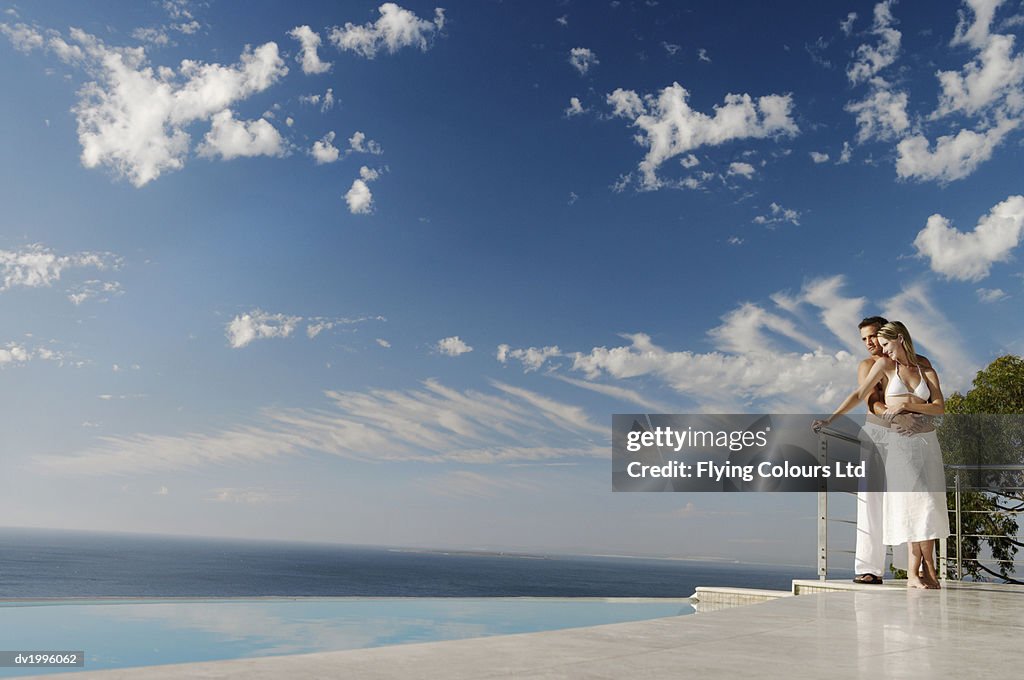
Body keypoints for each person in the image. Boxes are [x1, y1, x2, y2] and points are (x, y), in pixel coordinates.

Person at [814, 321, 949, 589]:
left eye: (877, 338)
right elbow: (864, 397)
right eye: (866, 339)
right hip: (891, 439)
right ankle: (890, 570)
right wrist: (830, 420)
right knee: (895, 501)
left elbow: (937, 406)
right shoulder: (877, 366)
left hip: (922, 443)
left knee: (923, 504)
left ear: (895, 337)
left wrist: (911, 409)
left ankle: (922, 570)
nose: (874, 345)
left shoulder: (924, 366)